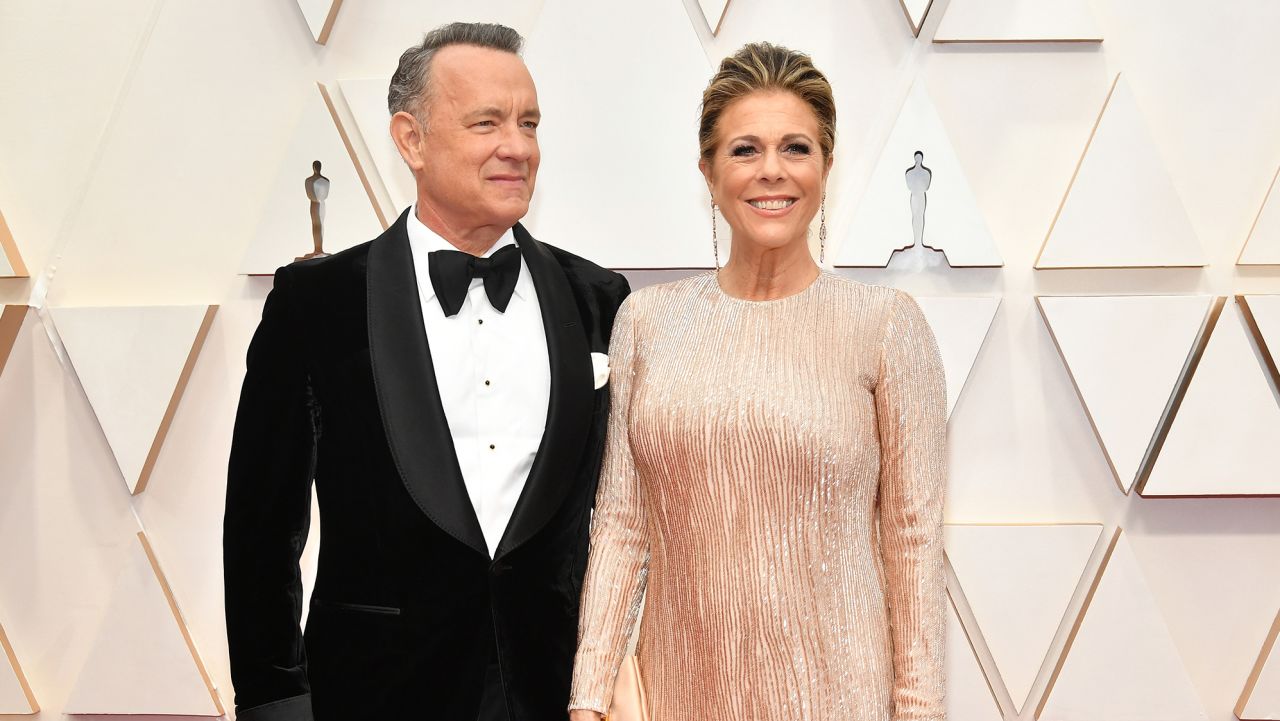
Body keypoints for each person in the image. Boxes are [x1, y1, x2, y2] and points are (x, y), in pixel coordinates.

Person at [223, 22, 629, 721]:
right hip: (374, 694)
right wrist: (276, 702)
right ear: (410, 139)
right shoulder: (316, 305)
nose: (518, 146)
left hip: (558, 695)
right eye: (487, 123)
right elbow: (262, 529)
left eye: (529, 123)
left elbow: (627, 521)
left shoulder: (600, 300)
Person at [568, 42, 947, 721]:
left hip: (835, 699)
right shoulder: (647, 322)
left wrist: (918, 713)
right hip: (679, 694)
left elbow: (911, 543)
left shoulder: (885, 325)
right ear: (709, 172)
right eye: (745, 149)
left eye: (796, 148)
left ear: (827, 166)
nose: (772, 171)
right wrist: (589, 698)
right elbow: (623, 525)